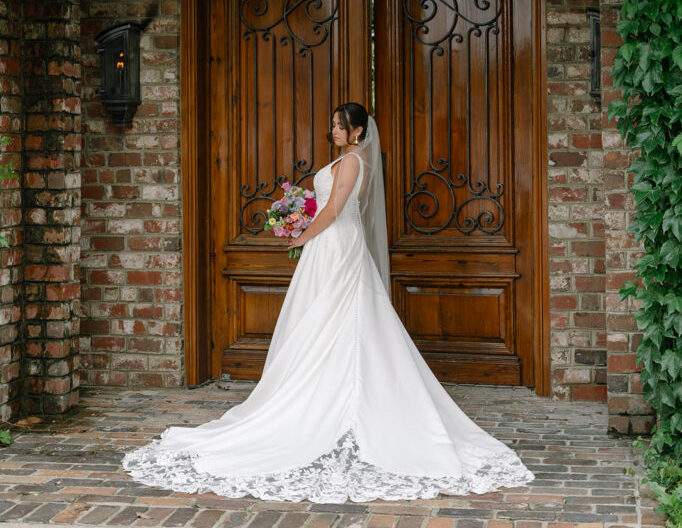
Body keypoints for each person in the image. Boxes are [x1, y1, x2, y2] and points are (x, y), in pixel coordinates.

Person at [122, 103, 534, 501]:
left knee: (344, 315)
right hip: (330, 243)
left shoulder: (353, 161)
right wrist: (299, 218)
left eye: (339, 125)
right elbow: (328, 205)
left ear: (357, 131)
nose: (333, 130)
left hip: (336, 244)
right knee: (325, 316)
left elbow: (336, 209)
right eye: (333, 124)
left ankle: (345, 402)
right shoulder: (346, 161)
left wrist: (302, 234)